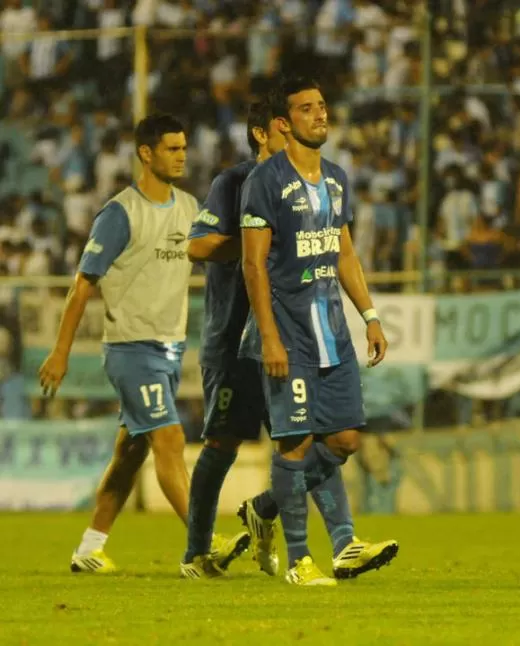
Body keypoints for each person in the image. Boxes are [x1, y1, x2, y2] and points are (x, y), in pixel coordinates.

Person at [184, 98, 399, 581]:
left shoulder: (318, 182)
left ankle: (341, 542)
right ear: (266, 133)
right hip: (235, 340)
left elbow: (340, 249)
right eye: (289, 125)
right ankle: (196, 550)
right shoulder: (236, 182)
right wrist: (261, 236)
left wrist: (367, 314)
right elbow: (197, 246)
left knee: (320, 437)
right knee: (222, 444)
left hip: (296, 331)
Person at [38, 114, 249, 574]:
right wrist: (60, 352)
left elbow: (213, 250)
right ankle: (203, 542)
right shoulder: (120, 213)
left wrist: (254, 246)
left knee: (129, 454)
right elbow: (82, 285)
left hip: (170, 349)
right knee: (169, 440)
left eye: (183, 146)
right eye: (172, 148)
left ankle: (89, 547)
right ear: (146, 154)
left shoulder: (191, 207)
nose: (181, 155)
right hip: (131, 349)